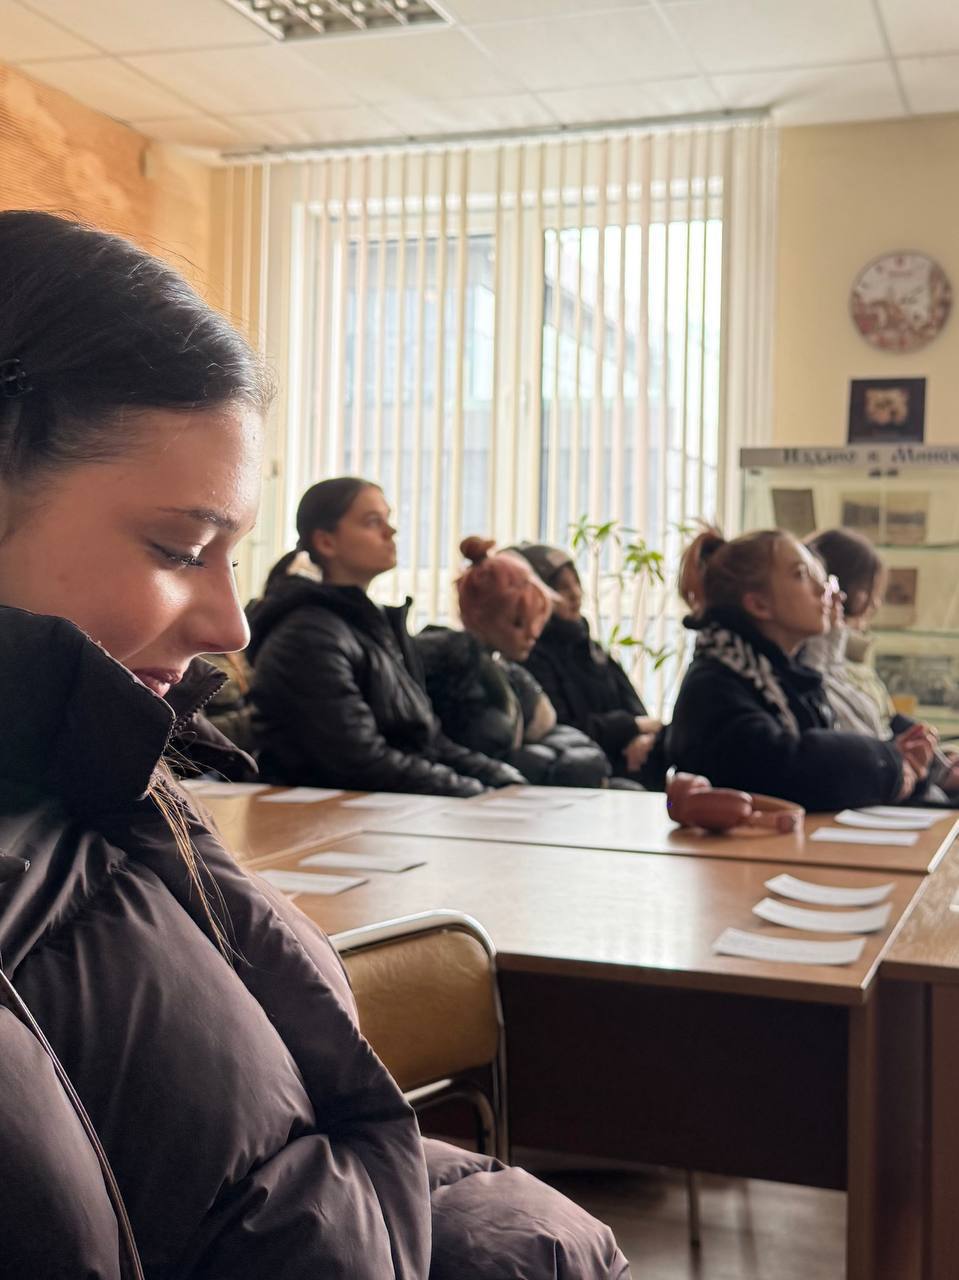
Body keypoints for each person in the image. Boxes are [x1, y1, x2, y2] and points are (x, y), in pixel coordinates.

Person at [0, 211, 629, 1278]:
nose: (228, 625)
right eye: (179, 547)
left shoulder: (106, 785)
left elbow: (272, 1180)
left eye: (229, 553)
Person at [248, 480, 523, 796]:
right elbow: (361, 764)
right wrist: (475, 792)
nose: (391, 531)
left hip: (388, 806)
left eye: (388, 519)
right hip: (329, 815)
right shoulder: (307, 636)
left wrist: (503, 779)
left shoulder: (371, 627)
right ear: (326, 542)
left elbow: (428, 742)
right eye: (372, 522)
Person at [665, 526, 933, 811]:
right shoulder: (713, 686)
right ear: (758, 604)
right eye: (801, 575)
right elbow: (784, 768)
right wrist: (889, 763)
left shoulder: (786, 678)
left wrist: (904, 762)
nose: (823, 589)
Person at [417, 538, 612, 788]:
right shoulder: (461, 676)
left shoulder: (505, 672)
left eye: (536, 622)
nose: (531, 634)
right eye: (518, 623)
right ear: (480, 617)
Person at [508, 541, 667, 789]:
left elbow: (639, 712)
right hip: (583, 778)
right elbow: (561, 730)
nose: (575, 594)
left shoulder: (591, 649)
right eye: (562, 588)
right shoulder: (531, 658)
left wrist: (645, 738)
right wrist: (629, 727)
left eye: (576, 584)